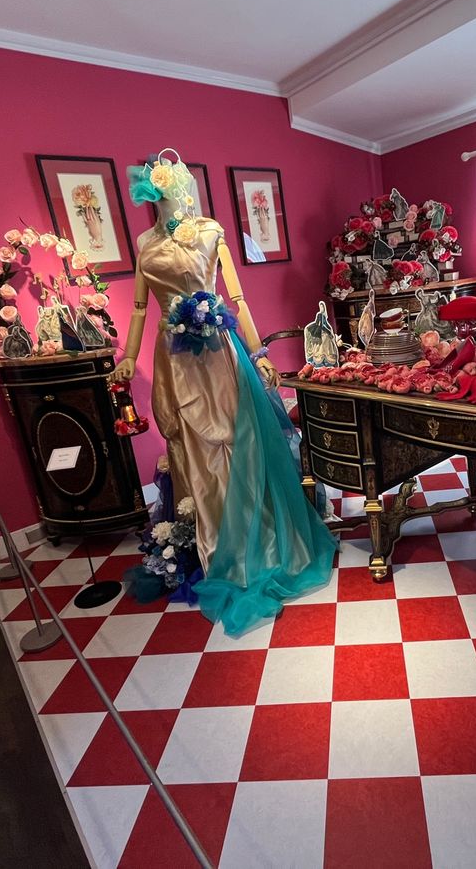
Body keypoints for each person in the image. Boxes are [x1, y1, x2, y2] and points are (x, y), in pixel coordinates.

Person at [111, 150, 334, 636]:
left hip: (219, 352)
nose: (168, 195)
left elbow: (238, 298)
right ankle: (213, 544)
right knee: (193, 448)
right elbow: (139, 308)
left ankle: (260, 540)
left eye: (172, 186)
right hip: (174, 359)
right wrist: (128, 355)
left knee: (239, 440)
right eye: (161, 189)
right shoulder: (144, 243)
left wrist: (259, 353)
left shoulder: (211, 230)